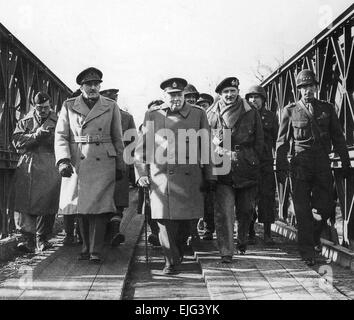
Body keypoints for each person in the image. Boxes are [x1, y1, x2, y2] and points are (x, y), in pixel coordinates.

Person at [135, 77, 215, 274]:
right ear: (164, 96)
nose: (176, 99)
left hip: (190, 176)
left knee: (186, 221)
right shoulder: (152, 115)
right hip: (161, 176)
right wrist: (141, 174)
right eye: (171, 95)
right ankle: (170, 261)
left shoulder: (198, 114)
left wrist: (210, 175)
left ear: (184, 95)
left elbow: (206, 147)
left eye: (179, 95)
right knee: (163, 220)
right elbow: (140, 149)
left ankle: (178, 250)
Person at [276, 69, 351, 266]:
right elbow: (282, 142)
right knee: (302, 211)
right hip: (300, 165)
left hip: (322, 164)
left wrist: (345, 162)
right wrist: (281, 167)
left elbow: (338, 137)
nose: (307, 90)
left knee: (325, 207)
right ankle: (307, 252)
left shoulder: (327, 109)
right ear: (298, 90)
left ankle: (315, 236)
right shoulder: (290, 110)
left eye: (310, 86)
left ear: (316, 87)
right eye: (303, 87)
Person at [55, 67, 125, 263]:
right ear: (81, 86)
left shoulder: (110, 105)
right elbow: (61, 136)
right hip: (79, 159)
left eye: (96, 84)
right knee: (82, 208)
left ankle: (95, 250)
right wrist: (63, 160)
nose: (93, 87)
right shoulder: (69, 105)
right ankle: (85, 247)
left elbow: (117, 137)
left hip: (103, 159)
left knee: (100, 208)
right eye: (89, 84)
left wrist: (120, 164)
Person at [207, 77, 264, 263]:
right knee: (224, 212)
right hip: (222, 168)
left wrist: (252, 160)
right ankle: (226, 251)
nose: (229, 95)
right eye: (225, 92)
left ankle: (242, 239)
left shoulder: (250, 111)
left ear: (238, 91)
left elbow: (259, 141)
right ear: (220, 95)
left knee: (246, 210)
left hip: (245, 166)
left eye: (232, 91)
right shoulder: (211, 114)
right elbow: (206, 141)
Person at [12, 92, 61, 252]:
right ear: (34, 106)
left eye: (46, 108)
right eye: (39, 108)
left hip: (49, 164)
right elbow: (17, 141)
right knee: (25, 202)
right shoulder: (25, 121)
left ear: (51, 106)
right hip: (28, 164)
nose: (43, 111)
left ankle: (43, 238)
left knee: (48, 201)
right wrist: (35, 136)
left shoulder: (59, 121)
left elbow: (65, 141)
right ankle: (27, 239)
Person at [100, 88, 137, 246]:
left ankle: (113, 232)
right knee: (111, 201)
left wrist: (129, 169)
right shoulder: (125, 117)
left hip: (113, 164)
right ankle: (109, 233)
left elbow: (133, 144)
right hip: (111, 164)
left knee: (114, 201)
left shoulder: (126, 117)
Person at [245, 85, 278, 245]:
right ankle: (250, 232)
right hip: (249, 163)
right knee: (249, 197)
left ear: (263, 99)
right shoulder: (244, 116)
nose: (253, 100)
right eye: (250, 97)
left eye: (256, 97)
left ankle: (267, 233)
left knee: (267, 197)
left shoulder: (271, 117)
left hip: (265, 163)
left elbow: (278, 139)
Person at [196, 93, 216, 240]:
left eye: (206, 104)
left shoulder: (215, 117)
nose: (203, 107)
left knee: (210, 199)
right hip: (200, 163)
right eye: (201, 104)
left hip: (217, 161)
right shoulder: (195, 117)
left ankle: (209, 226)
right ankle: (200, 225)